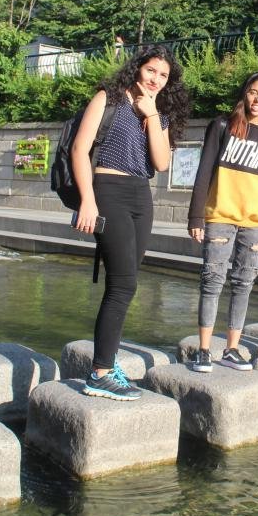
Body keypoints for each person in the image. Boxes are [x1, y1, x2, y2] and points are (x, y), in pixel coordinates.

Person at [72, 45, 190, 400]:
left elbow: (161, 162)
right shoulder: (108, 98)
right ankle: (100, 373)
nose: (156, 79)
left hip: (141, 195)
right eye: (151, 70)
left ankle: (106, 364)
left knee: (126, 283)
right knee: (122, 284)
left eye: (163, 75)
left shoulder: (159, 112)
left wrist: (152, 114)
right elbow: (79, 149)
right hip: (108, 190)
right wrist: (87, 201)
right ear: (138, 68)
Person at [186, 73, 258, 372]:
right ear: (245, 93)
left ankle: (232, 349)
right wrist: (196, 216)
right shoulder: (222, 126)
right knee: (212, 281)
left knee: (243, 285)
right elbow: (204, 171)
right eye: (254, 92)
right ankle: (204, 350)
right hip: (220, 216)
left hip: (257, 223)